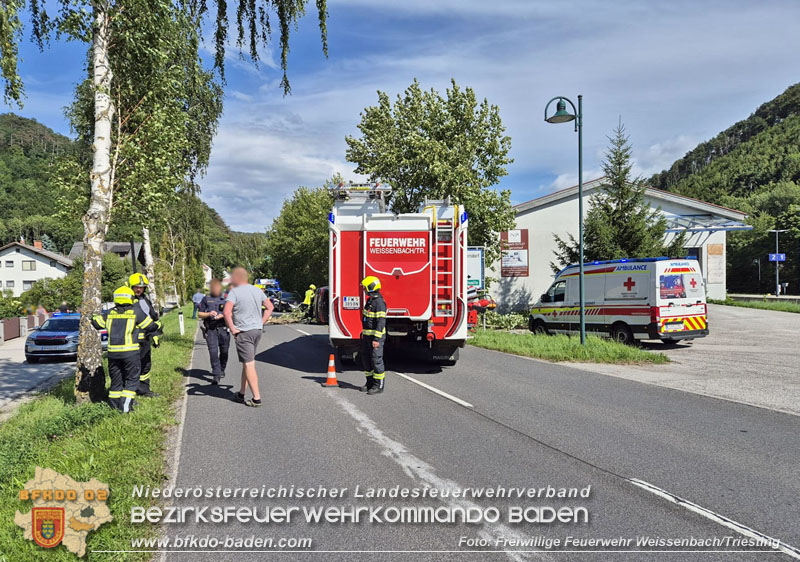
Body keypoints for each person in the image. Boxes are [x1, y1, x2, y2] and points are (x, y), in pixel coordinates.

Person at [91, 286, 160, 413]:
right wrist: (158, 325)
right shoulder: (135, 312)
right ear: (130, 297)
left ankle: (114, 406)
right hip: (130, 353)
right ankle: (126, 408)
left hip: (112, 354)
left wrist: (93, 317)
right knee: (132, 380)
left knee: (116, 381)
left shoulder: (110, 313)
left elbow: (96, 324)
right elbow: (150, 326)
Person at [223, 267, 274, 407]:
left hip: (243, 332)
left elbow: (226, 312)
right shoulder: (257, 290)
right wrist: (261, 322)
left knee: (249, 364)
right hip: (256, 331)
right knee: (248, 362)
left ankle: (256, 398)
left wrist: (233, 329)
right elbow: (270, 307)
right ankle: (241, 393)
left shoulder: (234, 292)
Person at [129, 273, 161, 397]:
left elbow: (152, 316)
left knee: (146, 364)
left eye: (141, 287)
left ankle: (144, 390)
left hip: (146, 337)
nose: (138, 289)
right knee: (133, 366)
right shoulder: (129, 300)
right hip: (133, 338)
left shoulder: (144, 298)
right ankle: (130, 391)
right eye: (136, 287)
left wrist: (155, 335)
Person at [198, 279, 230, 385]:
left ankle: (222, 369)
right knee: (213, 352)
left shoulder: (226, 298)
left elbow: (232, 313)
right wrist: (208, 314)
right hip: (211, 330)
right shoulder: (206, 299)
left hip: (223, 329)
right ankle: (216, 374)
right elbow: (199, 314)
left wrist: (223, 315)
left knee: (224, 352)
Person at [359, 276, 387, 395]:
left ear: (371, 287)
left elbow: (381, 322)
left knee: (376, 361)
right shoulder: (369, 301)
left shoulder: (379, 302)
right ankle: (369, 383)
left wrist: (376, 339)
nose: (364, 289)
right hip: (367, 336)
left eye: (365, 287)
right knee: (366, 360)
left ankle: (378, 385)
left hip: (376, 338)